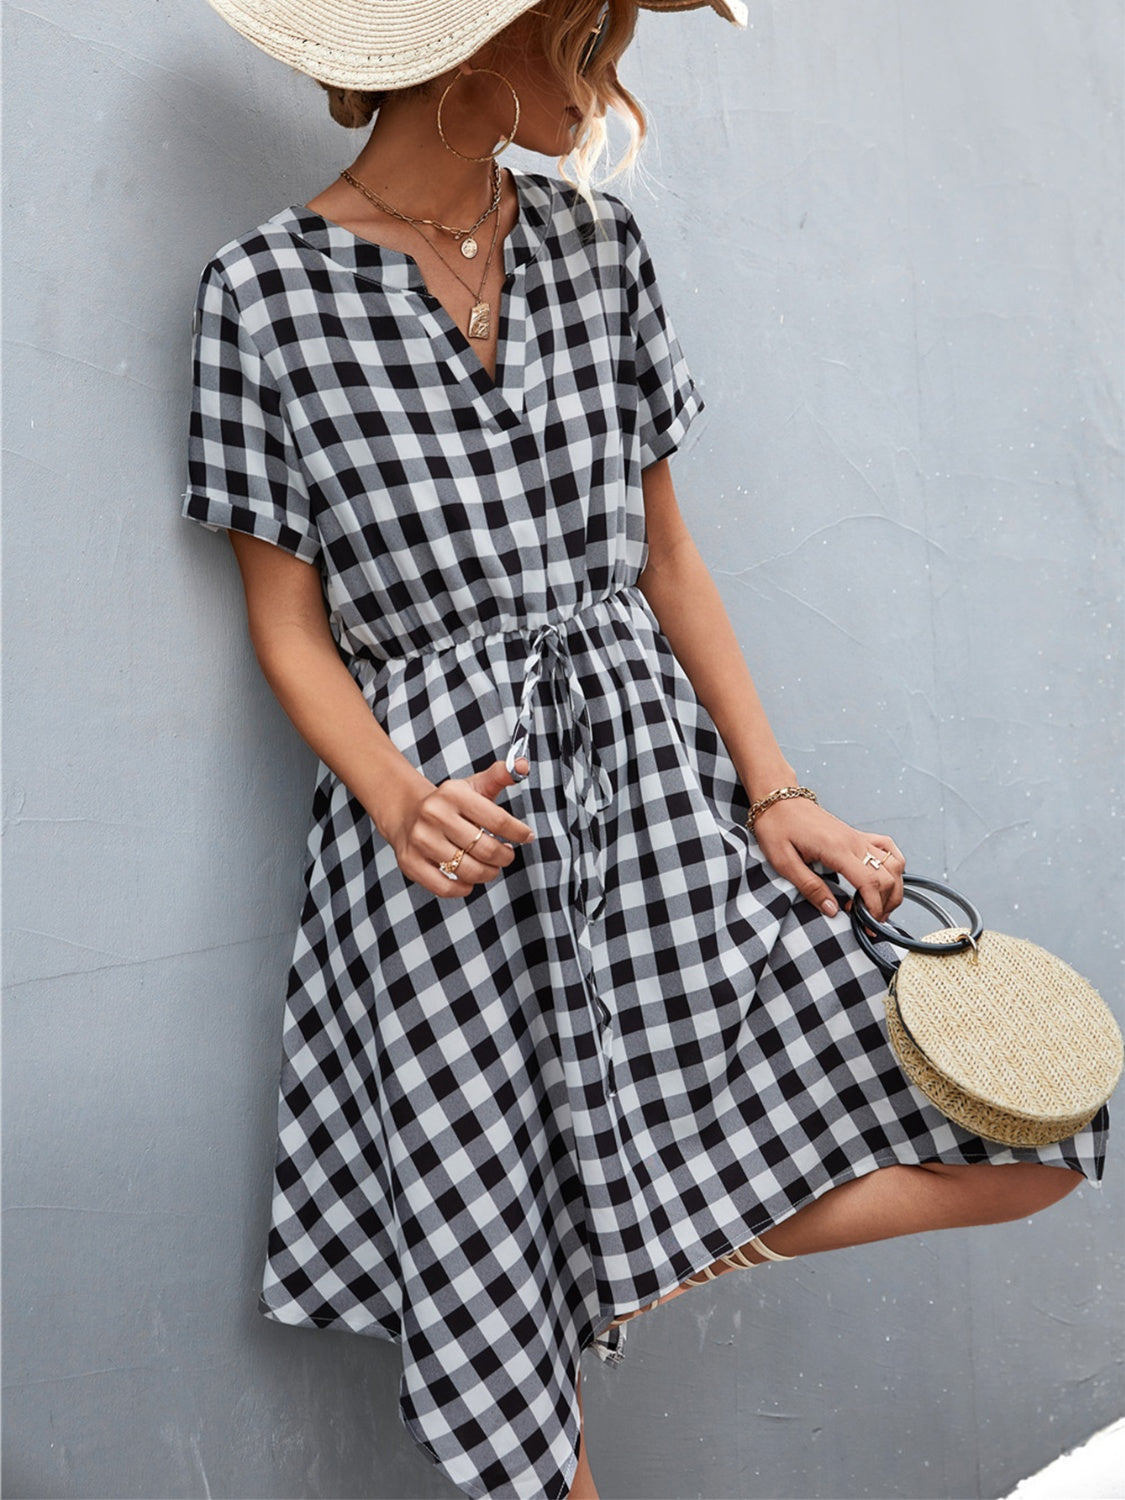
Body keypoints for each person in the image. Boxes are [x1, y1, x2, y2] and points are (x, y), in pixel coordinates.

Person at [182, 3, 1107, 1497]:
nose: (614, 85)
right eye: (592, 43)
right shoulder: (262, 294)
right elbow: (288, 627)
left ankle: (640, 1224)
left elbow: (669, 561)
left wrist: (778, 792)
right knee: (500, 1290)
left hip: (655, 798)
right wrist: (396, 797)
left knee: (1026, 1132)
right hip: (453, 845)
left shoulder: (596, 249)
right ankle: (593, 1246)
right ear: (479, 47)